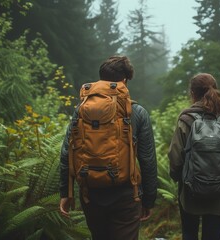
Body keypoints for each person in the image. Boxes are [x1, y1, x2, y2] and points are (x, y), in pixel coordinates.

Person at [59, 55, 158, 240]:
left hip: (91, 194)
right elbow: (147, 160)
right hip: (126, 196)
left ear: (101, 78)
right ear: (125, 80)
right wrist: (149, 200)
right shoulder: (137, 112)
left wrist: (65, 192)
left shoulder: (81, 110)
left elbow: (67, 152)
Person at [168, 73, 220, 240]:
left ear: (192, 93)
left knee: (189, 235)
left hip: (190, 194)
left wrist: (180, 181)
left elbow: (175, 159)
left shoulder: (185, 120)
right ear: (216, 90)